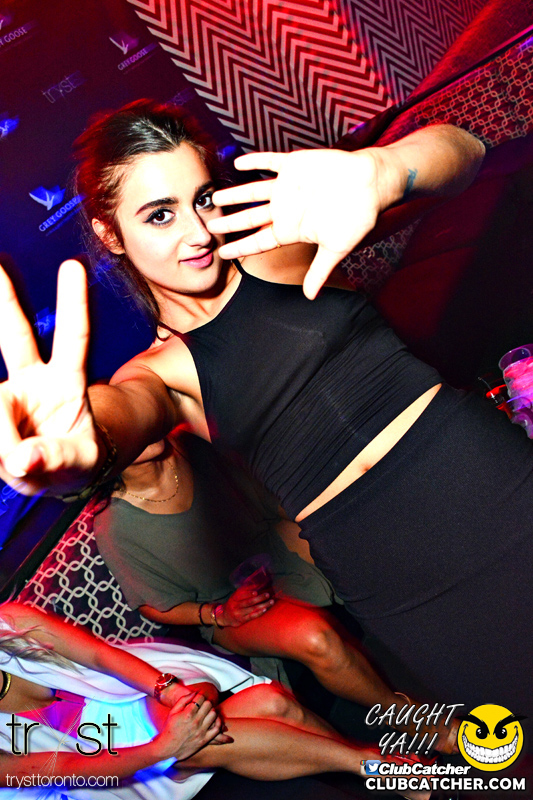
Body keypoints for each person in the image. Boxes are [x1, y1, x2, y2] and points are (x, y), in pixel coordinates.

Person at [0, 100, 530, 719]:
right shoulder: (156, 374)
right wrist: (79, 450)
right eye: (160, 215)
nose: (198, 233)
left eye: (202, 200)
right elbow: (120, 414)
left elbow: (465, 153)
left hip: (486, 482)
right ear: (110, 235)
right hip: (388, 569)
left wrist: (387, 168)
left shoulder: (281, 249)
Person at [93, 432, 458, 752]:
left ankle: (454, 645)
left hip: (272, 544)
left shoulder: (190, 443)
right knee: (316, 638)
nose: (136, 426)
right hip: (226, 607)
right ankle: (409, 719)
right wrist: (219, 614)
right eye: (116, 430)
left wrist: (321, 520)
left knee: (353, 541)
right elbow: (154, 606)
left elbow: (268, 496)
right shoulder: (115, 526)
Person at [0, 602, 428, 799]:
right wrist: (163, 748)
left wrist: (170, 690)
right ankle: (372, 765)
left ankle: (373, 769)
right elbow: (66, 768)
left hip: (130, 695)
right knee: (269, 706)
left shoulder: (10, 622)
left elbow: (100, 655)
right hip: (100, 779)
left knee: (267, 707)